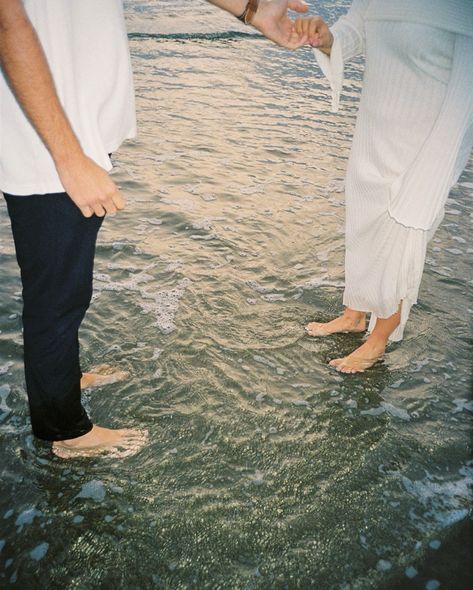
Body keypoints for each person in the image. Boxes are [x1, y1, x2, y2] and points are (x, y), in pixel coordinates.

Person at [0, 0, 310, 458]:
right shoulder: (59, 155)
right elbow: (7, 20)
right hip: (49, 145)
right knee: (57, 299)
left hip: (69, 133)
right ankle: (67, 432)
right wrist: (68, 158)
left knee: (64, 287)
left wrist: (252, 9)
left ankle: (62, 380)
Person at [294, 0, 473, 373]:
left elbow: (466, 96)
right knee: (363, 222)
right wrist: (326, 37)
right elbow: (355, 31)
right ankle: (354, 314)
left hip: (422, 144)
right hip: (374, 132)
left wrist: (435, 174)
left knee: (400, 234)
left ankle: (378, 340)